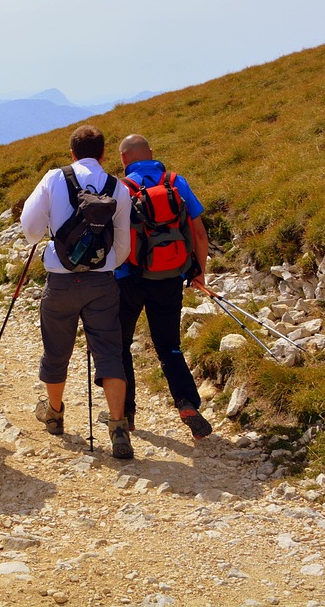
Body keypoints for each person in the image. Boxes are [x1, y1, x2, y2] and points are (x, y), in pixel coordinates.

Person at [20, 124, 135, 459]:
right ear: (102, 153)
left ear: (72, 153)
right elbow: (124, 243)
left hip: (61, 280)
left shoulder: (55, 178)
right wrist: (106, 263)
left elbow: (30, 228)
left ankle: (55, 414)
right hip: (102, 282)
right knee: (110, 353)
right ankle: (118, 427)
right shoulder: (118, 187)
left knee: (57, 350)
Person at [114, 133, 213, 439]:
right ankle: (186, 402)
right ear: (152, 153)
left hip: (128, 278)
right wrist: (199, 272)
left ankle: (126, 414)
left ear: (124, 160)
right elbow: (198, 233)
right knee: (169, 346)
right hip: (169, 276)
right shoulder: (176, 182)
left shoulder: (122, 188)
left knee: (119, 347)